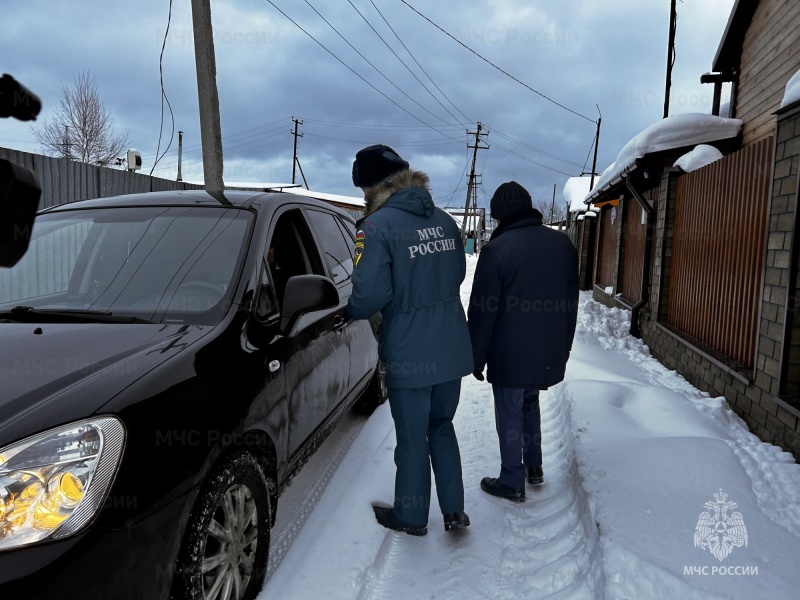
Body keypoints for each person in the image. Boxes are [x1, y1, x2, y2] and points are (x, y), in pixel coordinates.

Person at [345, 144, 473, 535]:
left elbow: (368, 296)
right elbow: (457, 276)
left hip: (409, 350)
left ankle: (412, 516)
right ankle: (454, 511)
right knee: (441, 426)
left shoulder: (376, 227)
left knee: (413, 437)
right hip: (451, 345)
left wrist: (348, 312)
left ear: (369, 188)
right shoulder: (446, 221)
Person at [468, 181, 578, 502]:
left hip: (510, 352)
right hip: (547, 348)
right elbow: (571, 304)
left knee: (509, 412)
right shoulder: (563, 246)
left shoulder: (496, 251)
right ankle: (534, 466)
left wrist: (476, 357)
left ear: (500, 215)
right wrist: (565, 345)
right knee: (529, 403)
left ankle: (511, 480)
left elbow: (482, 312)